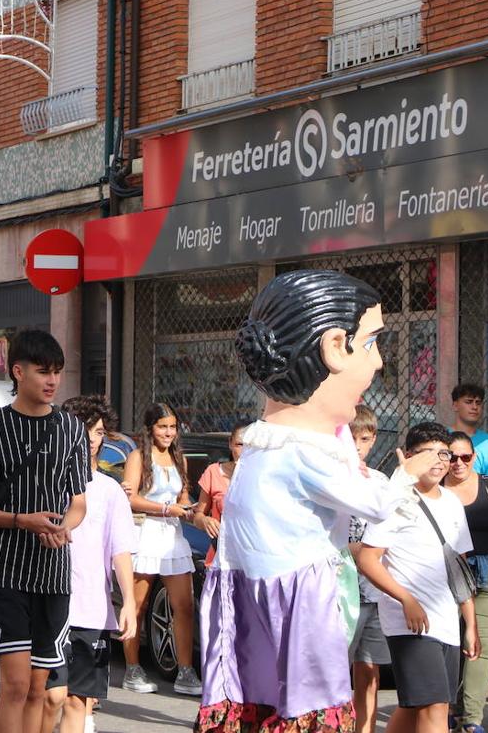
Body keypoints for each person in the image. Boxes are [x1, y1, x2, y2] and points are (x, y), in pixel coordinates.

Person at [197, 270, 438, 732]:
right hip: (300, 620)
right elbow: (375, 503)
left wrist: (342, 432)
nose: (379, 362)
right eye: (369, 343)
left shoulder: (266, 446)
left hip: (258, 621)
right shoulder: (301, 451)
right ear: (333, 347)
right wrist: (406, 473)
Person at [0, 329, 89, 733]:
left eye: (58, 373)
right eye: (43, 371)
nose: (52, 381)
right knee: (14, 682)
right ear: (18, 371)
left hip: (52, 573)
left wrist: (62, 527)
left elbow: (78, 504)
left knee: (39, 687)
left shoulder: (71, 430)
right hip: (5, 569)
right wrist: (22, 520)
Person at [358, 422, 478, 733]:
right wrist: (406, 599)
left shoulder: (452, 502)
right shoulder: (396, 499)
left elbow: (459, 566)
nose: (440, 462)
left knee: (414, 708)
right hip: (410, 622)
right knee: (434, 708)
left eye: (444, 454)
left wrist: (470, 624)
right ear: (409, 457)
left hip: (446, 622)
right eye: (429, 455)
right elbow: (368, 560)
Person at [43, 395, 137, 733]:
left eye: (97, 431)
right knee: (50, 697)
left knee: (77, 700)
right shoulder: (47, 482)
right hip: (49, 603)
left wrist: (129, 603)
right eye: (84, 430)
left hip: (92, 610)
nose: (91, 438)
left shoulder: (110, 490)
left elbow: (121, 550)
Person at [122, 403, 200, 696]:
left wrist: (194, 510)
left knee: (184, 606)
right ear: (150, 428)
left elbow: (183, 497)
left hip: (173, 538)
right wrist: (167, 508)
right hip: (145, 535)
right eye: (162, 427)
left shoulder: (180, 458)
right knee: (138, 606)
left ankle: (185, 671)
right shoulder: (137, 457)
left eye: (172, 427)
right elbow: (129, 498)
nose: (168, 433)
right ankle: (132, 668)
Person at [344, 405, 390, 733]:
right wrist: (358, 551)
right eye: (350, 437)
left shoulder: (381, 481)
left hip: (375, 590)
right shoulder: (331, 481)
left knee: (370, 672)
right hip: (342, 589)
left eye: (363, 438)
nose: (357, 445)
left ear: (372, 440)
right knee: (333, 672)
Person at [443, 430, 488, 733]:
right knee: (449, 643)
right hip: (445, 576)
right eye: (452, 457)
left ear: (475, 458)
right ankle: (448, 707)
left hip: (486, 575)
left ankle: (471, 719)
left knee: (480, 645)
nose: (459, 463)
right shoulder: (434, 490)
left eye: (465, 457)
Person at [193, 421, 247, 566]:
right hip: (220, 561)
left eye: (250, 445)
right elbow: (198, 516)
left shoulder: (262, 477)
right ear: (230, 444)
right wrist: (205, 521)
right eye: (239, 444)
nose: (244, 451)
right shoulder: (213, 472)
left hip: (252, 563)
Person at [452, 383, 488, 476]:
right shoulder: (442, 438)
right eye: (469, 402)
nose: (474, 407)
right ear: (455, 405)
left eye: (478, 402)